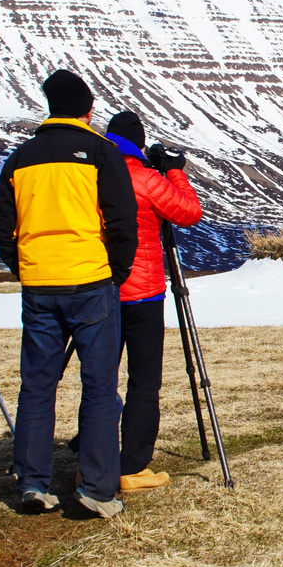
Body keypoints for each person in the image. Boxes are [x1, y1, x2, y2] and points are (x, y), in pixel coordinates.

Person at [0, 70, 137, 518]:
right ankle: (96, 487)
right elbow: (121, 219)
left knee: (36, 386)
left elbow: (3, 229)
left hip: (39, 285)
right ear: (87, 110)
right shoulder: (99, 152)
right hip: (91, 281)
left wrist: (27, 268)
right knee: (97, 386)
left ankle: (33, 482)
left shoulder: (21, 158)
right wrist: (116, 272)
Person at [102, 110, 203, 493]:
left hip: (98, 289)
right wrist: (174, 171)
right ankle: (132, 466)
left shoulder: (92, 173)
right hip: (142, 294)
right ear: (139, 145)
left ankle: (94, 458)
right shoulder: (145, 179)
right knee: (143, 381)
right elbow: (188, 212)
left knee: (99, 380)